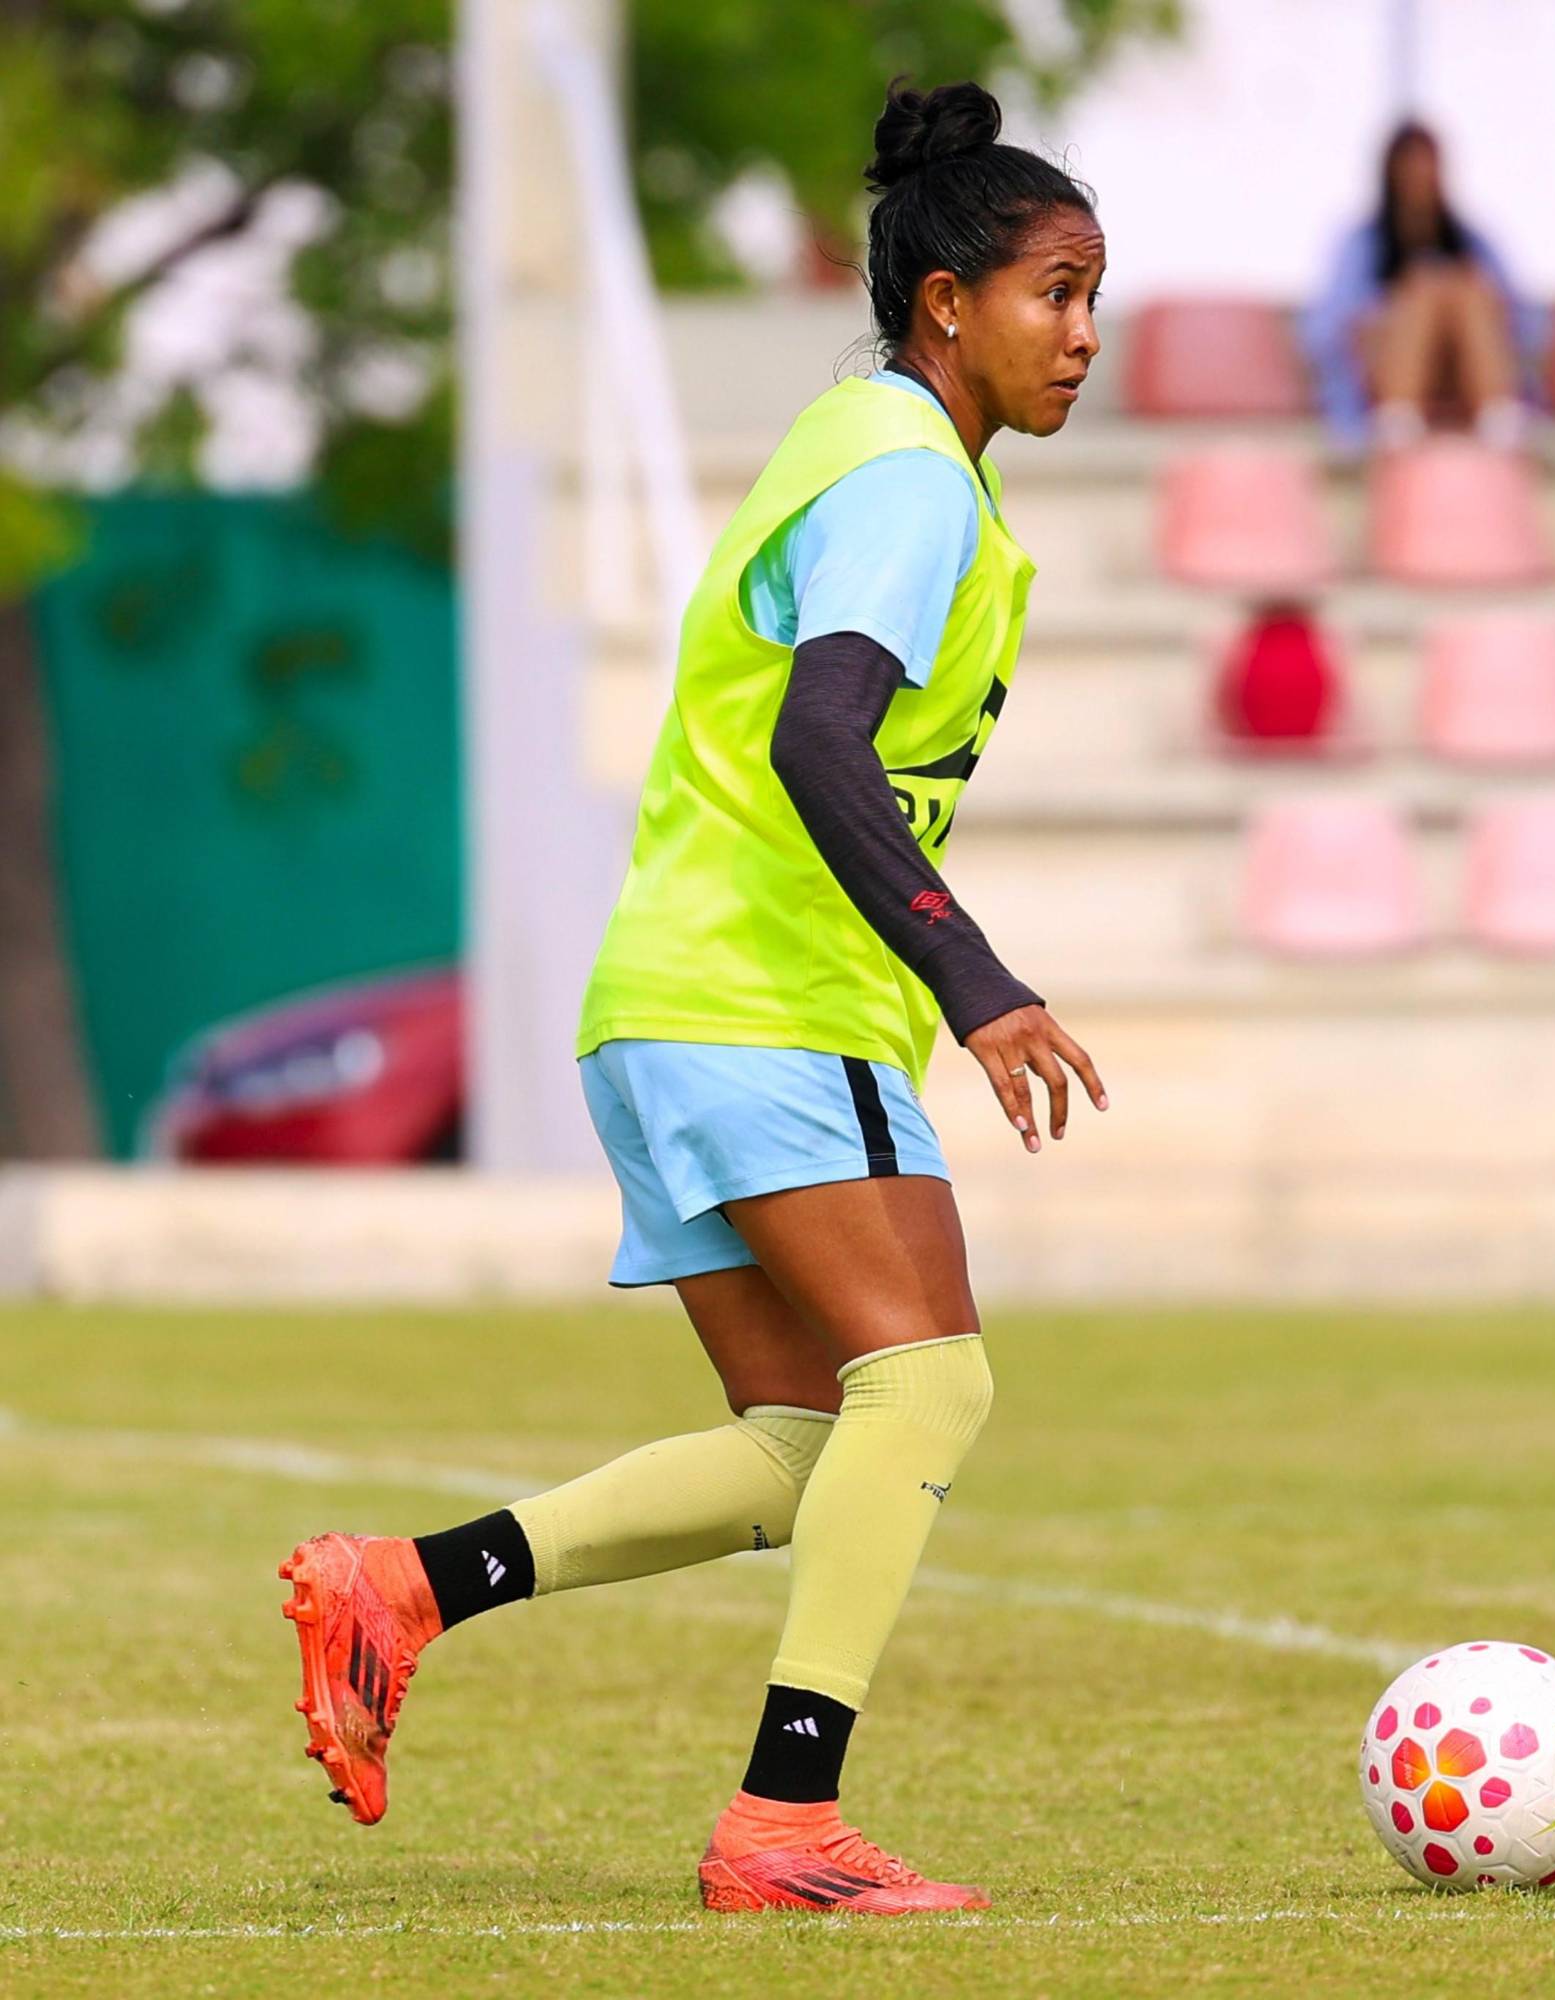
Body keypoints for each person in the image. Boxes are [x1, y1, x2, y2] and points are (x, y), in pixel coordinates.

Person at [275, 77, 1108, 1917]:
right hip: (768, 997)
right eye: (1051, 290)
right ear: (942, 302)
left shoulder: (854, 440)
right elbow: (825, 739)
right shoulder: (905, 480)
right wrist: (973, 979)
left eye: (1092, 295)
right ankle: (783, 1824)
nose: (1082, 335)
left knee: (802, 1444)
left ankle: (403, 1591)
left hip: (664, 998)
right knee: (929, 1390)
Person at [1302, 120, 1546, 452]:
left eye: (1427, 164)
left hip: (1460, 372)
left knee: (1463, 290)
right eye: (1410, 165)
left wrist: (1461, 297)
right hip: (1387, 370)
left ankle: (1497, 417)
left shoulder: (1471, 241)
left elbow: (1528, 325)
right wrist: (1395, 308)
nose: (1419, 176)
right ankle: (1397, 418)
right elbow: (1325, 330)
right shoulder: (1362, 244)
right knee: (1426, 288)